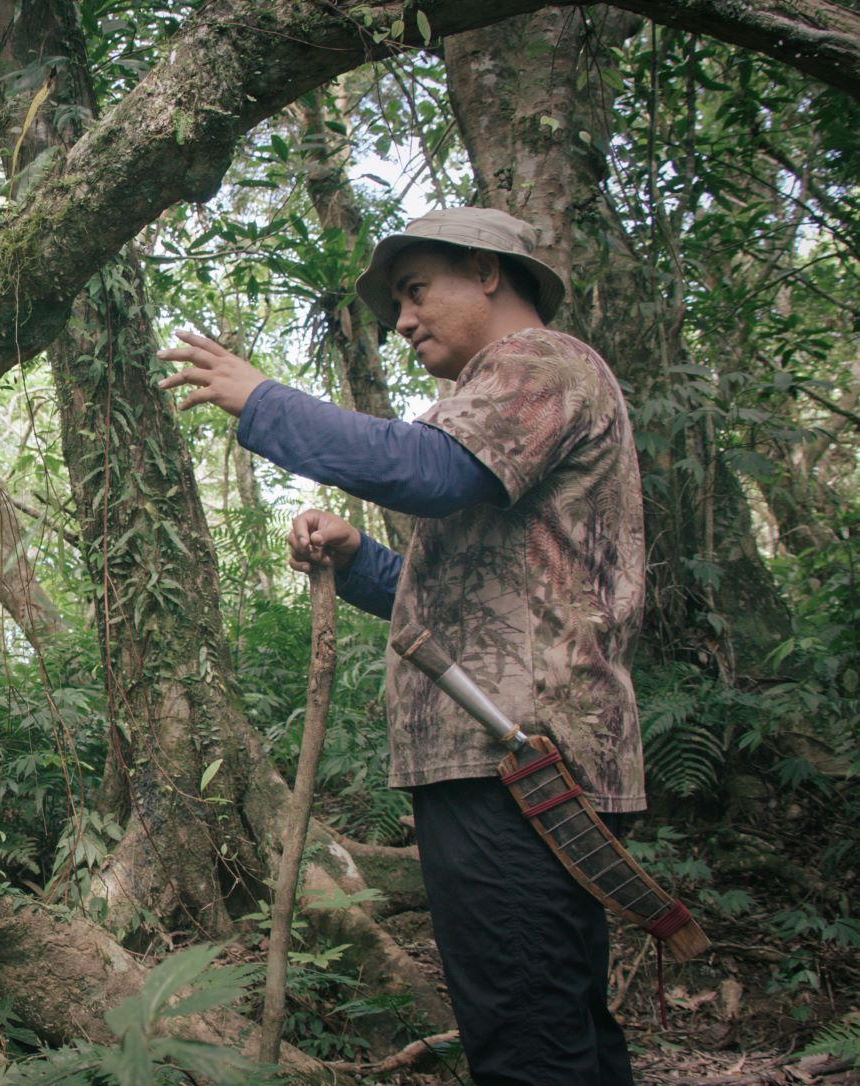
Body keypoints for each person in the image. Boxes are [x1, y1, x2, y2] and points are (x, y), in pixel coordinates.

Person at [158, 207, 645, 1085]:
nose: (406, 321)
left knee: (529, 1044)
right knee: (557, 1022)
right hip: (495, 756)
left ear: (487, 271)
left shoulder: (542, 364)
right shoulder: (481, 408)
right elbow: (450, 608)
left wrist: (263, 400)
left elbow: (424, 469)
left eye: (416, 292)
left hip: (518, 762)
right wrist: (356, 560)